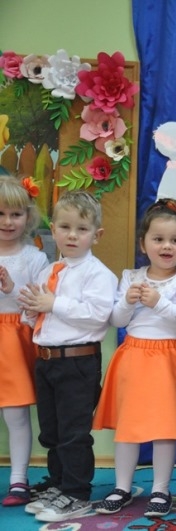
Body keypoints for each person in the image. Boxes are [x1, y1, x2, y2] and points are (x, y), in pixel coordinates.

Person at [92, 198, 176, 518]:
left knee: (165, 427)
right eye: (158, 239)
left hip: (169, 359)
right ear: (143, 243)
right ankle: (122, 487)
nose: (167, 246)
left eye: (175, 240)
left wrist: (158, 302)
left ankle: (161, 490)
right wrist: (126, 301)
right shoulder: (131, 276)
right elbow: (117, 321)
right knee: (128, 427)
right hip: (134, 357)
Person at [17, 190, 117, 522]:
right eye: (65, 227)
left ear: (96, 235)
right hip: (46, 359)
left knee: (74, 431)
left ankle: (77, 493)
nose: (72, 235)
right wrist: (32, 310)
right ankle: (59, 483)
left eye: (82, 229)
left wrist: (53, 304)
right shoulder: (49, 270)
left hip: (77, 361)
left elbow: (97, 315)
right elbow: (38, 314)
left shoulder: (98, 274)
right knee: (52, 430)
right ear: (53, 230)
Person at [0, 175, 49, 507]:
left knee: (15, 414)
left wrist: (11, 289)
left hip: (15, 339)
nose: (8, 221)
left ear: (27, 216)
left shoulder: (34, 258)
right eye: (1, 214)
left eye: (15, 214)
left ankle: (19, 479)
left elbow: (38, 303)